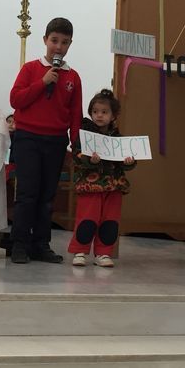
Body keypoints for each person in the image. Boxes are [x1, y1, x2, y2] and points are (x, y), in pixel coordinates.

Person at [9, 17, 82, 264]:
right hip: (28, 138)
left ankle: (41, 245)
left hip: (56, 141)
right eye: (54, 40)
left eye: (64, 42)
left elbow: (75, 114)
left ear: (70, 44)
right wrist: (43, 83)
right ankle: (20, 244)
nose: (58, 47)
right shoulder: (31, 69)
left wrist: (76, 144)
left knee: (47, 197)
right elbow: (16, 100)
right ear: (45, 40)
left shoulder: (73, 77)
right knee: (27, 194)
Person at [67, 89, 135, 268]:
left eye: (104, 112)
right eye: (95, 111)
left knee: (110, 220)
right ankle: (80, 251)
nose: (99, 115)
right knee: (87, 218)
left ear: (113, 116)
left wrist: (128, 162)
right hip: (90, 186)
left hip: (114, 186)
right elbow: (76, 156)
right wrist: (90, 160)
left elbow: (125, 163)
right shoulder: (84, 136)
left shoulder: (118, 138)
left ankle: (104, 253)